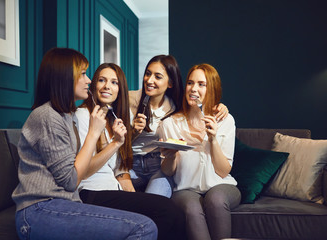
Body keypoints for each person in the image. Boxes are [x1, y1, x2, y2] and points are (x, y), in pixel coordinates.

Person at [12, 48, 158, 240]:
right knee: (144, 227)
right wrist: (94, 133)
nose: (88, 80)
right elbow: (72, 181)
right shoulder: (47, 117)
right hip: (39, 210)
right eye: (83, 74)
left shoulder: (64, 116)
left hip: (65, 204)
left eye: (114, 82)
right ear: (64, 78)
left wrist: (121, 138)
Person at [75, 63, 187, 240]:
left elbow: (120, 169)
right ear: (93, 84)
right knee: (168, 211)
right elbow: (83, 171)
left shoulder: (112, 118)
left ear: (120, 90)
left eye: (114, 83)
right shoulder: (83, 115)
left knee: (170, 213)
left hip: (112, 188)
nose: (107, 87)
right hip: (91, 192)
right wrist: (116, 143)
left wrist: (133, 197)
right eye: (101, 80)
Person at [158, 63, 241, 240]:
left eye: (201, 84)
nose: (193, 89)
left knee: (216, 200)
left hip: (222, 186)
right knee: (192, 208)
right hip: (186, 189)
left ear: (212, 89)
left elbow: (223, 171)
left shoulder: (225, 121)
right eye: (190, 83)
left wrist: (213, 139)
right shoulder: (170, 124)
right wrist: (171, 155)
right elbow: (167, 171)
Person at [129, 55, 229, 198]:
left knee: (155, 202)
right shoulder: (129, 100)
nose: (149, 80)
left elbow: (199, 99)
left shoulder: (175, 106)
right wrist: (134, 132)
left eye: (158, 76)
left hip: (158, 164)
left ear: (170, 83)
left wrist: (220, 106)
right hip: (130, 163)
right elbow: (114, 142)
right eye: (148, 74)